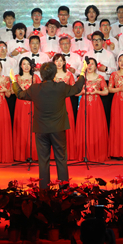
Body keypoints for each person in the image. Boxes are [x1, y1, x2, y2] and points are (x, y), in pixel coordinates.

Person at [11, 61, 87, 189]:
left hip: (41, 130)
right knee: (61, 159)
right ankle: (64, 190)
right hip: (58, 129)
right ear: (55, 74)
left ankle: (44, 190)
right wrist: (83, 72)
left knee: (43, 160)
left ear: (41, 75)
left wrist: (14, 81)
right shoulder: (61, 87)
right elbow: (77, 88)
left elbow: (20, 94)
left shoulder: (35, 88)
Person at [74, 58, 109, 162]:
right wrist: (82, 92)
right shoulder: (81, 78)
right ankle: (85, 153)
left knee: (96, 127)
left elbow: (106, 91)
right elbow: (75, 93)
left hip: (96, 105)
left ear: (96, 66)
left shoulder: (100, 78)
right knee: (85, 127)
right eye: (88, 64)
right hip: (84, 106)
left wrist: (97, 91)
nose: (90, 66)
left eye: (92, 64)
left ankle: (97, 154)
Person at [13, 57, 41, 162]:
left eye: (28, 64)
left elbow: (41, 91)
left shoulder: (35, 77)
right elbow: (12, 91)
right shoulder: (16, 77)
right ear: (20, 66)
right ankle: (21, 155)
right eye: (24, 64)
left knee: (34, 128)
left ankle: (34, 154)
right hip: (20, 105)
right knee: (21, 127)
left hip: (33, 104)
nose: (26, 66)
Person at [53, 53, 79, 160]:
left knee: (66, 125)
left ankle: (68, 153)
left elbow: (73, 90)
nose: (59, 63)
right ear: (53, 62)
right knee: (54, 126)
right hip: (54, 103)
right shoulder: (51, 75)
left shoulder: (69, 75)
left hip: (66, 102)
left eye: (61, 60)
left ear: (64, 62)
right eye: (56, 60)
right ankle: (54, 154)